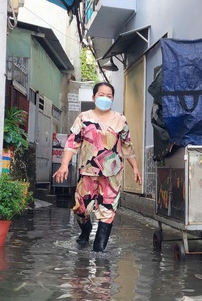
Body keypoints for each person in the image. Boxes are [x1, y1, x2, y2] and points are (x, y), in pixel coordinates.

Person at [53, 82, 142, 252]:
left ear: (113, 99)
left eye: (109, 96)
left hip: (112, 175)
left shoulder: (120, 120)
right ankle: (85, 232)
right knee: (80, 209)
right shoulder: (83, 118)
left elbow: (127, 146)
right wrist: (64, 164)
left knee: (108, 210)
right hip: (88, 173)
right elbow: (72, 142)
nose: (105, 98)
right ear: (93, 97)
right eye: (101, 95)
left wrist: (135, 168)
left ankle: (99, 252)